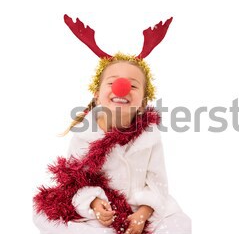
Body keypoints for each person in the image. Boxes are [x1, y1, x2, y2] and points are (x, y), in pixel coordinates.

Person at [33, 15, 191, 234]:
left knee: (180, 225)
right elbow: (75, 184)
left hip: (138, 210)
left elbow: (158, 183)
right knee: (45, 217)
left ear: (144, 101)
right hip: (98, 215)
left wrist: (142, 214)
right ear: (97, 95)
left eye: (133, 86)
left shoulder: (150, 135)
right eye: (112, 82)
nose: (122, 87)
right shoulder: (84, 135)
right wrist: (95, 205)